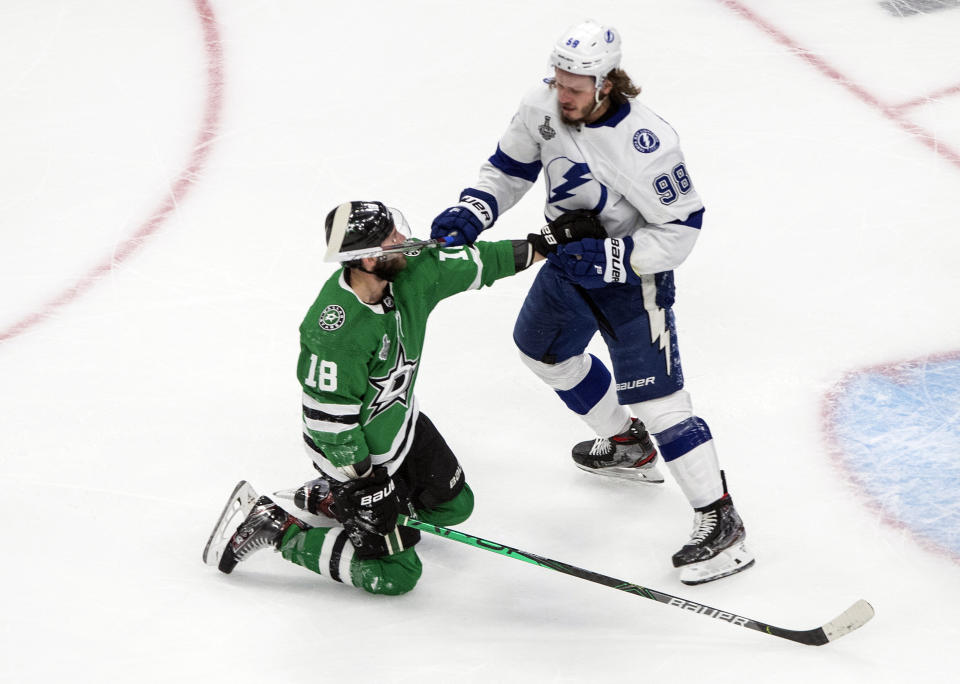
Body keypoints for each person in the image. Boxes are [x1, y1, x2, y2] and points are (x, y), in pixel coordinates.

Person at [429, 19, 754, 585]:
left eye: (576, 88)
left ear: (607, 84)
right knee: (542, 351)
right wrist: (474, 209)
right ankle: (629, 445)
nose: (563, 95)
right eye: (559, 82)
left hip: (632, 279)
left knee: (662, 401)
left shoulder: (647, 145)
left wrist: (614, 258)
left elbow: (681, 230)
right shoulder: (544, 102)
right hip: (568, 264)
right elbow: (507, 169)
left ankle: (721, 520)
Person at [203, 201, 561, 595]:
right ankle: (277, 529)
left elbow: (479, 261)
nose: (404, 240)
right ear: (369, 261)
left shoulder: (411, 273)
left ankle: (334, 506)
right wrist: (368, 484)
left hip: (402, 427)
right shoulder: (336, 330)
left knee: (455, 506)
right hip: (354, 461)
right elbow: (328, 423)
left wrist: (547, 242)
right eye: (392, 238)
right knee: (397, 575)